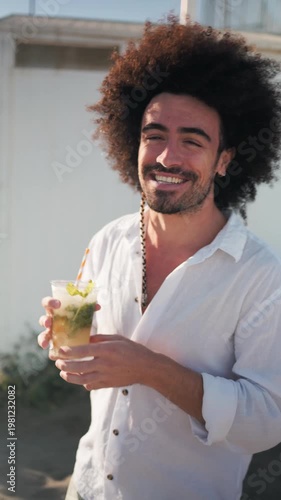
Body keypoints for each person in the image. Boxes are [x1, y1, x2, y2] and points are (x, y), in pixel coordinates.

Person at [38, 17, 281, 500]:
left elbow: (266, 422)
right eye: (155, 135)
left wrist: (148, 368)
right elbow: (76, 336)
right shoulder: (107, 240)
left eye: (192, 140)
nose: (168, 157)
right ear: (133, 140)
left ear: (225, 159)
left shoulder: (263, 277)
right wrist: (62, 344)